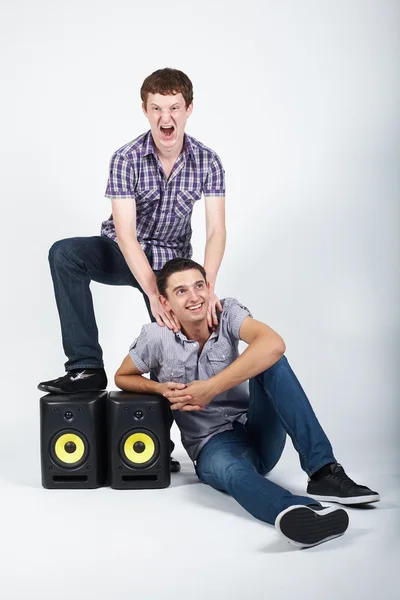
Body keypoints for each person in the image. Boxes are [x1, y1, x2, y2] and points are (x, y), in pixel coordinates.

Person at [115, 257, 380, 548]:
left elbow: (274, 343)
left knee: (272, 361)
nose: (194, 297)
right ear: (165, 304)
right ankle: (300, 512)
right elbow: (123, 376)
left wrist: (211, 388)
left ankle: (323, 472)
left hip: (257, 428)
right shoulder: (156, 337)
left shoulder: (227, 312)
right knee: (233, 473)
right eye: (181, 291)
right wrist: (159, 388)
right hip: (212, 444)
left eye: (199, 286)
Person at [37, 68, 227, 472]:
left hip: (173, 260)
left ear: (188, 109)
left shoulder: (208, 161)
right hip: (123, 251)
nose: (166, 117)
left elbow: (216, 231)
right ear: (145, 111)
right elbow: (125, 234)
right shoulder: (125, 158)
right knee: (63, 254)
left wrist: (205, 288)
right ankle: (85, 368)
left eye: (174, 107)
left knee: (170, 343)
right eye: (156, 108)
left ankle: (160, 442)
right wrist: (153, 293)